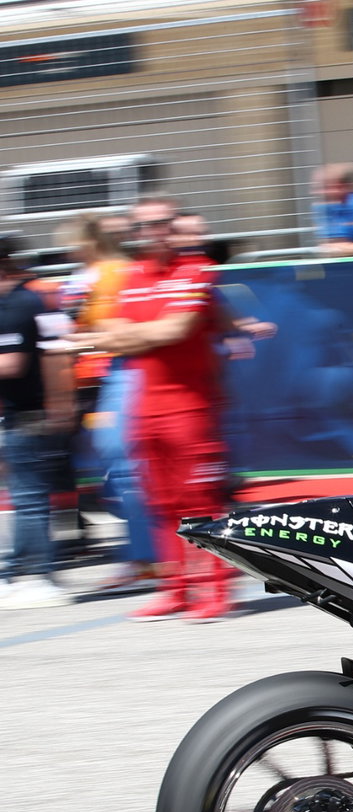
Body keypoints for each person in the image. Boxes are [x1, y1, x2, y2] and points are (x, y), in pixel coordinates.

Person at [73, 197, 234, 621]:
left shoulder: (195, 270)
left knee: (200, 501)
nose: (154, 232)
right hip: (144, 408)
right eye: (144, 225)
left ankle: (214, 587)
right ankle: (176, 587)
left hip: (190, 408)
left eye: (162, 223)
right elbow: (106, 334)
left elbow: (176, 328)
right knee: (159, 502)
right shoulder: (129, 277)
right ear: (133, 232)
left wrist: (135, 334)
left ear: (173, 226)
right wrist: (147, 333)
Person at [56, 212, 156, 592]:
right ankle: (145, 554)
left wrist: (79, 341)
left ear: (86, 243)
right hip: (102, 374)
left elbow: (98, 328)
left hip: (118, 371)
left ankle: (149, 556)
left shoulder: (110, 274)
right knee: (118, 465)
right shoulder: (97, 275)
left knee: (123, 464)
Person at [0, 234, 76, 609]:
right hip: (27, 414)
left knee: (30, 501)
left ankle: (40, 576)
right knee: (25, 499)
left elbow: (11, 364)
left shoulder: (17, 305)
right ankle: (13, 573)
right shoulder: (22, 301)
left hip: (28, 416)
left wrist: (60, 404)